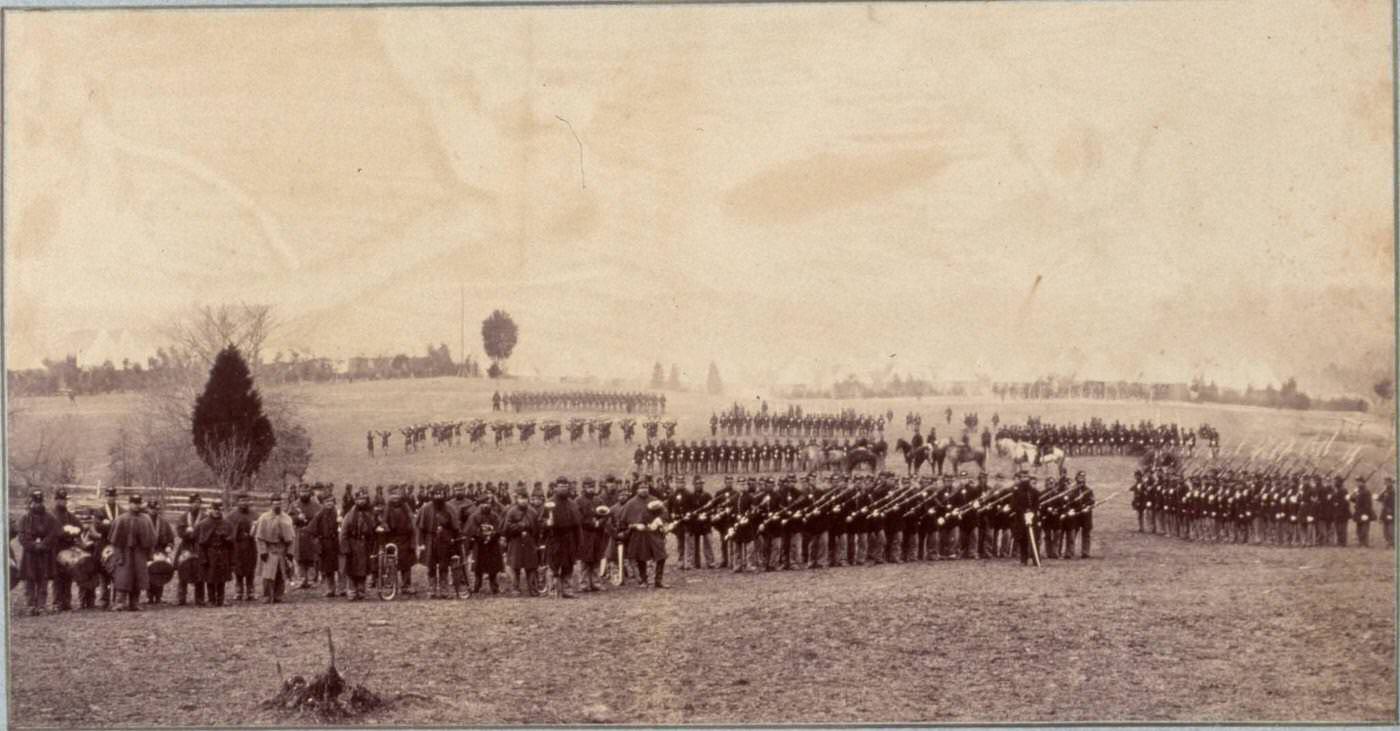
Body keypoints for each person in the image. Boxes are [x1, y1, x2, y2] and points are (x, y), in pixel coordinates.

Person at [109, 494, 157, 611]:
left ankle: (134, 602)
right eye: (134, 503)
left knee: (138, 576)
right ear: (129, 504)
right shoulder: (121, 519)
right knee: (123, 577)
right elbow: (115, 540)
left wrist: (149, 555)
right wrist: (118, 555)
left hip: (140, 552)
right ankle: (120, 602)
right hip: (125, 551)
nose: (136, 506)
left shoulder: (146, 519)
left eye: (138, 503)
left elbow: (151, 539)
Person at [17, 490, 59, 616]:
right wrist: (34, 545)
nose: (37, 505)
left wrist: (43, 545)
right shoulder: (25, 518)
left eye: (39, 502)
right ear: (31, 503)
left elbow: (53, 534)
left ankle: (41, 605)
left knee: (43, 579)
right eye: (35, 502)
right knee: (30, 579)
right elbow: (21, 536)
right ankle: (31, 605)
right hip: (30, 554)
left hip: (45, 554)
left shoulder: (50, 518)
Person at [416, 485, 461, 599]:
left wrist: (455, 541)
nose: (438, 497)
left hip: (445, 541)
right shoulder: (425, 508)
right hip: (430, 540)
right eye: (436, 494)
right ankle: (431, 589)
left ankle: (444, 589)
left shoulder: (450, 508)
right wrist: (421, 543)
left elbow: (455, 528)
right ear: (432, 495)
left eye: (440, 494)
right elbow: (420, 528)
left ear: (444, 495)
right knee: (431, 566)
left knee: (444, 565)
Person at [620, 486, 670, 588]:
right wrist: (634, 525)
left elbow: (665, 513)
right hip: (640, 534)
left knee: (661, 555)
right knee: (641, 557)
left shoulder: (654, 500)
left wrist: (658, 520)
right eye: (641, 487)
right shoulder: (631, 503)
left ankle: (658, 580)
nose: (644, 490)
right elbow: (623, 521)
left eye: (646, 487)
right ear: (637, 490)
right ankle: (643, 580)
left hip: (654, 532)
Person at [253, 494, 296, 604]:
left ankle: (278, 595)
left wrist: (290, 552)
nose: (277, 505)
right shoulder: (264, 518)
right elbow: (260, 537)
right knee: (268, 575)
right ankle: (267, 595)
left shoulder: (287, 518)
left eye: (279, 503)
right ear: (271, 504)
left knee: (281, 573)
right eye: (275, 503)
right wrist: (262, 551)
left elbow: (291, 538)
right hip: (270, 549)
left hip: (282, 549)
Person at [545, 481, 583, 599]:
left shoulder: (572, 504)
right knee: (553, 564)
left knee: (568, 564)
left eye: (566, 487)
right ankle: (552, 589)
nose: (564, 489)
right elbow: (540, 520)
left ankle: (567, 590)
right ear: (555, 488)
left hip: (569, 537)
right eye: (561, 486)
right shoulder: (549, 503)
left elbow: (577, 524)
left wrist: (578, 540)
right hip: (554, 537)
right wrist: (547, 523)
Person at [194, 499, 235, 607]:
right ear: (210, 509)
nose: (217, 511)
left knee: (222, 577)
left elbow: (232, 542)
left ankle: (220, 599)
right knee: (210, 577)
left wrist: (226, 539)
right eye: (215, 509)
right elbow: (200, 542)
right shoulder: (203, 524)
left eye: (219, 509)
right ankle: (211, 599)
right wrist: (203, 557)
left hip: (223, 552)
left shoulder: (227, 524)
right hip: (209, 553)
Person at [49, 489, 83, 612]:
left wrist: (74, 531)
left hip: (68, 548)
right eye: (60, 500)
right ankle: (57, 602)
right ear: (56, 500)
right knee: (57, 576)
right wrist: (67, 532)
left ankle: (67, 602)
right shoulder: (51, 515)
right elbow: (54, 532)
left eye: (64, 500)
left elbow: (80, 527)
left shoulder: (69, 515)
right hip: (55, 549)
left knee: (68, 575)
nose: (63, 502)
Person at [340, 490, 378, 600]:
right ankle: (352, 591)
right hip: (352, 544)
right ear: (355, 500)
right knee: (351, 569)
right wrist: (345, 547)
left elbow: (374, 526)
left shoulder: (370, 514)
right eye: (359, 499)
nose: (361, 501)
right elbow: (344, 532)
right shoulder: (350, 515)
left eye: (363, 499)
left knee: (363, 569)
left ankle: (361, 590)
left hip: (365, 544)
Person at [503, 489, 541, 595]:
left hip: (529, 542)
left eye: (525, 498)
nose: (523, 501)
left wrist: (532, 536)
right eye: (521, 498)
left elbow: (537, 529)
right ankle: (515, 588)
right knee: (515, 567)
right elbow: (506, 528)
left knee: (531, 566)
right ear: (517, 499)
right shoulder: (511, 511)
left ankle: (532, 588)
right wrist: (520, 526)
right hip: (516, 542)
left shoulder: (533, 512)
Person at [382, 487, 418, 596]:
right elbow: (384, 521)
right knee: (391, 563)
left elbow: (412, 522)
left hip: (405, 538)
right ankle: (391, 584)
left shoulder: (405, 506)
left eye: (397, 494)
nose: (395, 497)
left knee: (406, 564)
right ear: (389, 496)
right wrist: (386, 527)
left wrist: (413, 541)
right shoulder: (387, 507)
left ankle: (406, 585)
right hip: (392, 539)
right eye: (393, 495)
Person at [464, 496, 504, 594]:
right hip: (479, 545)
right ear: (480, 505)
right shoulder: (474, 516)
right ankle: (477, 586)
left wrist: (492, 536)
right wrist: (482, 536)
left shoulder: (494, 516)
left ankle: (494, 587)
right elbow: (471, 529)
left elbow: (499, 528)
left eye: (488, 503)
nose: (486, 506)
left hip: (492, 545)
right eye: (484, 503)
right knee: (478, 568)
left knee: (493, 568)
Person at [175, 495, 207, 606]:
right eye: (193, 502)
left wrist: (197, 534)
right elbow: (179, 532)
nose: (196, 505)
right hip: (186, 546)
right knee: (182, 570)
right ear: (189, 504)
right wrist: (187, 532)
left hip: (199, 546)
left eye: (198, 502)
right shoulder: (183, 517)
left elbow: (207, 532)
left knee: (200, 572)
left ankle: (199, 598)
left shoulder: (204, 517)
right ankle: (181, 597)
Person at [311, 493, 344, 597]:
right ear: (323, 503)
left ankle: (342, 588)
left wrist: (341, 522)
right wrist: (317, 541)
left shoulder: (338, 513)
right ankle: (331, 589)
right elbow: (312, 529)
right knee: (328, 568)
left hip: (338, 542)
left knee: (341, 567)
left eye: (331, 501)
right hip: (326, 543)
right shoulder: (319, 515)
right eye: (327, 501)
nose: (329, 503)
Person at [228, 493, 259, 601]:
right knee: (238, 568)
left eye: (246, 501)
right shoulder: (232, 516)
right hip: (237, 546)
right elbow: (228, 531)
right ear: (237, 502)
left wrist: (253, 532)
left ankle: (250, 590)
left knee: (250, 567)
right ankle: (238, 590)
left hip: (251, 546)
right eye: (242, 501)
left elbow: (260, 528)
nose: (244, 503)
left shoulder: (254, 515)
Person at [292, 486, 322, 589]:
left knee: (312, 558)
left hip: (312, 534)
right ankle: (301, 579)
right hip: (299, 533)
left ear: (310, 492)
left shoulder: (316, 505)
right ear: (299, 492)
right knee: (299, 558)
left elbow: (320, 518)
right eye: (302, 491)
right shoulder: (295, 505)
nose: (304, 494)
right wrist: (297, 518)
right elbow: (288, 518)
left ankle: (311, 580)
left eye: (306, 491)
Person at [147, 498, 176, 604]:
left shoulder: (164, 523)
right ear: (148, 509)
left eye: (156, 509)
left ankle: (158, 596)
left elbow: (171, 538)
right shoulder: (144, 521)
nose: (154, 511)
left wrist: (169, 546)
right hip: (148, 551)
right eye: (151, 509)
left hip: (161, 550)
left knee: (162, 571)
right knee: (149, 572)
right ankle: (150, 596)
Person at [1010, 474, 1041, 566]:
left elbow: (1037, 504)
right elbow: (1014, 505)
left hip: (1032, 518)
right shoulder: (1016, 492)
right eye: (1023, 477)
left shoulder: (1035, 492)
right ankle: (1024, 559)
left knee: (1034, 539)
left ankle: (1036, 558)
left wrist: (1032, 513)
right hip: (1021, 519)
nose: (1025, 479)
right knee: (1022, 539)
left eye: (1027, 477)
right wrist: (1024, 512)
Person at [1352, 477, 1375, 548]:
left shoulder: (1366, 491)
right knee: (1359, 529)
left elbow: (1368, 504)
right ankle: (1360, 542)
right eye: (1357, 482)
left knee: (1364, 529)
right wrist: (1353, 493)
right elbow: (1353, 500)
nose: (1357, 483)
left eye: (1359, 482)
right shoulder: (1358, 491)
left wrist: (1366, 514)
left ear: (1363, 482)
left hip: (1364, 512)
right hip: (1358, 512)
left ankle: (1365, 543)